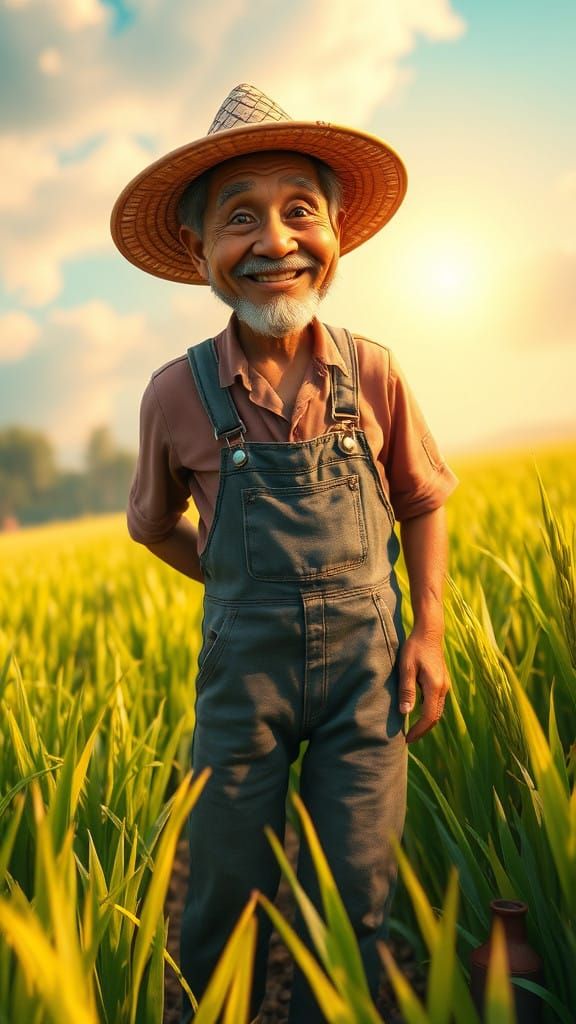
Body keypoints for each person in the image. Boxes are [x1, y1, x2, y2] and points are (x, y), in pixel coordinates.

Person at [111, 83, 458, 1024]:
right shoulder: (175, 397)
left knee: (358, 886)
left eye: (299, 211)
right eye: (239, 219)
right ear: (198, 252)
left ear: (335, 231)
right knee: (222, 880)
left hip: (366, 684)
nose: (274, 241)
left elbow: (424, 499)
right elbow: (150, 524)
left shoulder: (374, 371)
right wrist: (227, 578)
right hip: (244, 687)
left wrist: (427, 632)